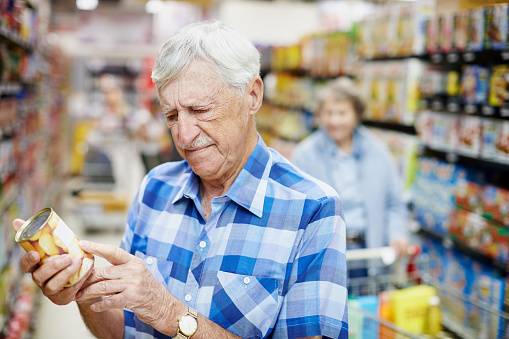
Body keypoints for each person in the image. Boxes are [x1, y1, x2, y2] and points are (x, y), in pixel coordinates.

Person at [13, 21, 348, 339]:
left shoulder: (312, 209)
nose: (184, 135)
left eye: (200, 110)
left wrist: (167, 311)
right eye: (171, 116)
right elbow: (122, 331)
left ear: (253, 96)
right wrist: (84, 290)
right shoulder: (155, 188)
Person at [291, 77, 409, 259]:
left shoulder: (378, 151)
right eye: (328, 113)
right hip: (323, 255)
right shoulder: (305, 155)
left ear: (357, 114)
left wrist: (397, 234)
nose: (335, 121)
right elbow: (294, 209)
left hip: (371, 252)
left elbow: (394, 203)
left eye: (342, 113)